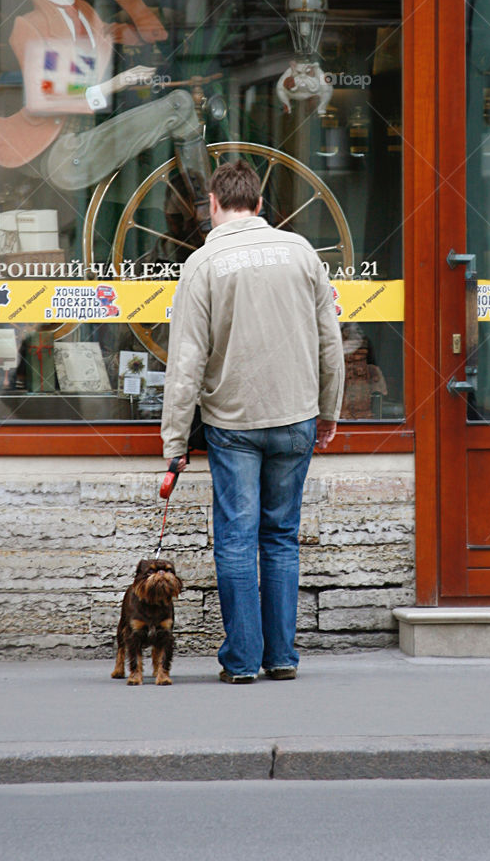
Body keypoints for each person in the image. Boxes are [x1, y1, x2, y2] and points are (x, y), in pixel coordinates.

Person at [161, 159, 345, 683]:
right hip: (295, 417)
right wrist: (329, 410)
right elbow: (330, 341)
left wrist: (174, 440)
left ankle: (242, 661)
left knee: (238, 538)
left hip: (234, 423)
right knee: (281, 536)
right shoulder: (301, 253)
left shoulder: (203, 263)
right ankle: (282, 658)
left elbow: (187, 362)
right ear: (261, 206)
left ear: (213, 205)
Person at [0, 0, 210, 201]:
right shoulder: (30, 26)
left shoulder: (88, 18)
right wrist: (116, 83)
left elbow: (154, 33)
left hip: (91, 141)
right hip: (65, 154)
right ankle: (209, 206)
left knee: (175, 115)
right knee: (180, 103)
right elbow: (49, 98)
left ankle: (203, 205)